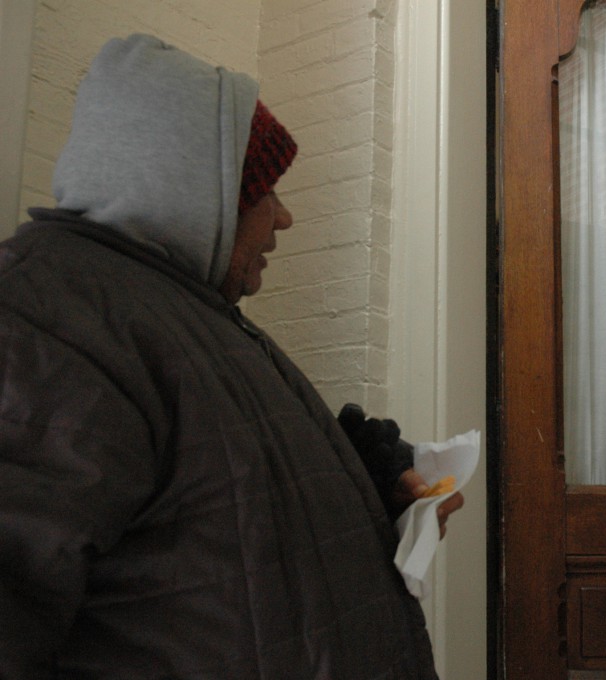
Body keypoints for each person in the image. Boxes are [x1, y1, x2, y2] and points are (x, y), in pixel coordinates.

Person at [0, 33, 462, 679]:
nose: (284, 218)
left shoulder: (177, 315)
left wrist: (368, 485)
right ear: (194, 191)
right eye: (265, 191)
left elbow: (218, 526)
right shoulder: (44, 322)